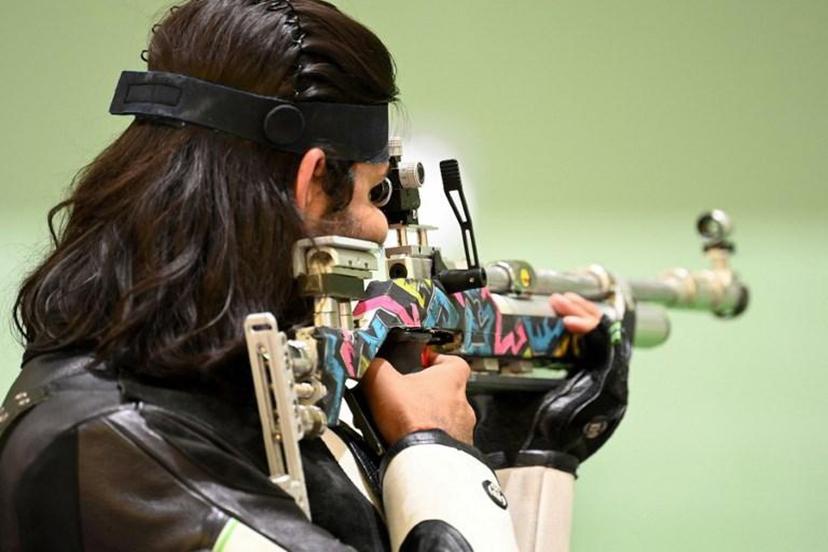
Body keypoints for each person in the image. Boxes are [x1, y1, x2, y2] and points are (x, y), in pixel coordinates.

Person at [0, 1, 632, 550]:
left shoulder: (243, 398)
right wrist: (434, 445)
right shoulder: (119, 451)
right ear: (309, 185)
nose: (383, 228)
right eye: (372, 191)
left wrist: (534, 449)